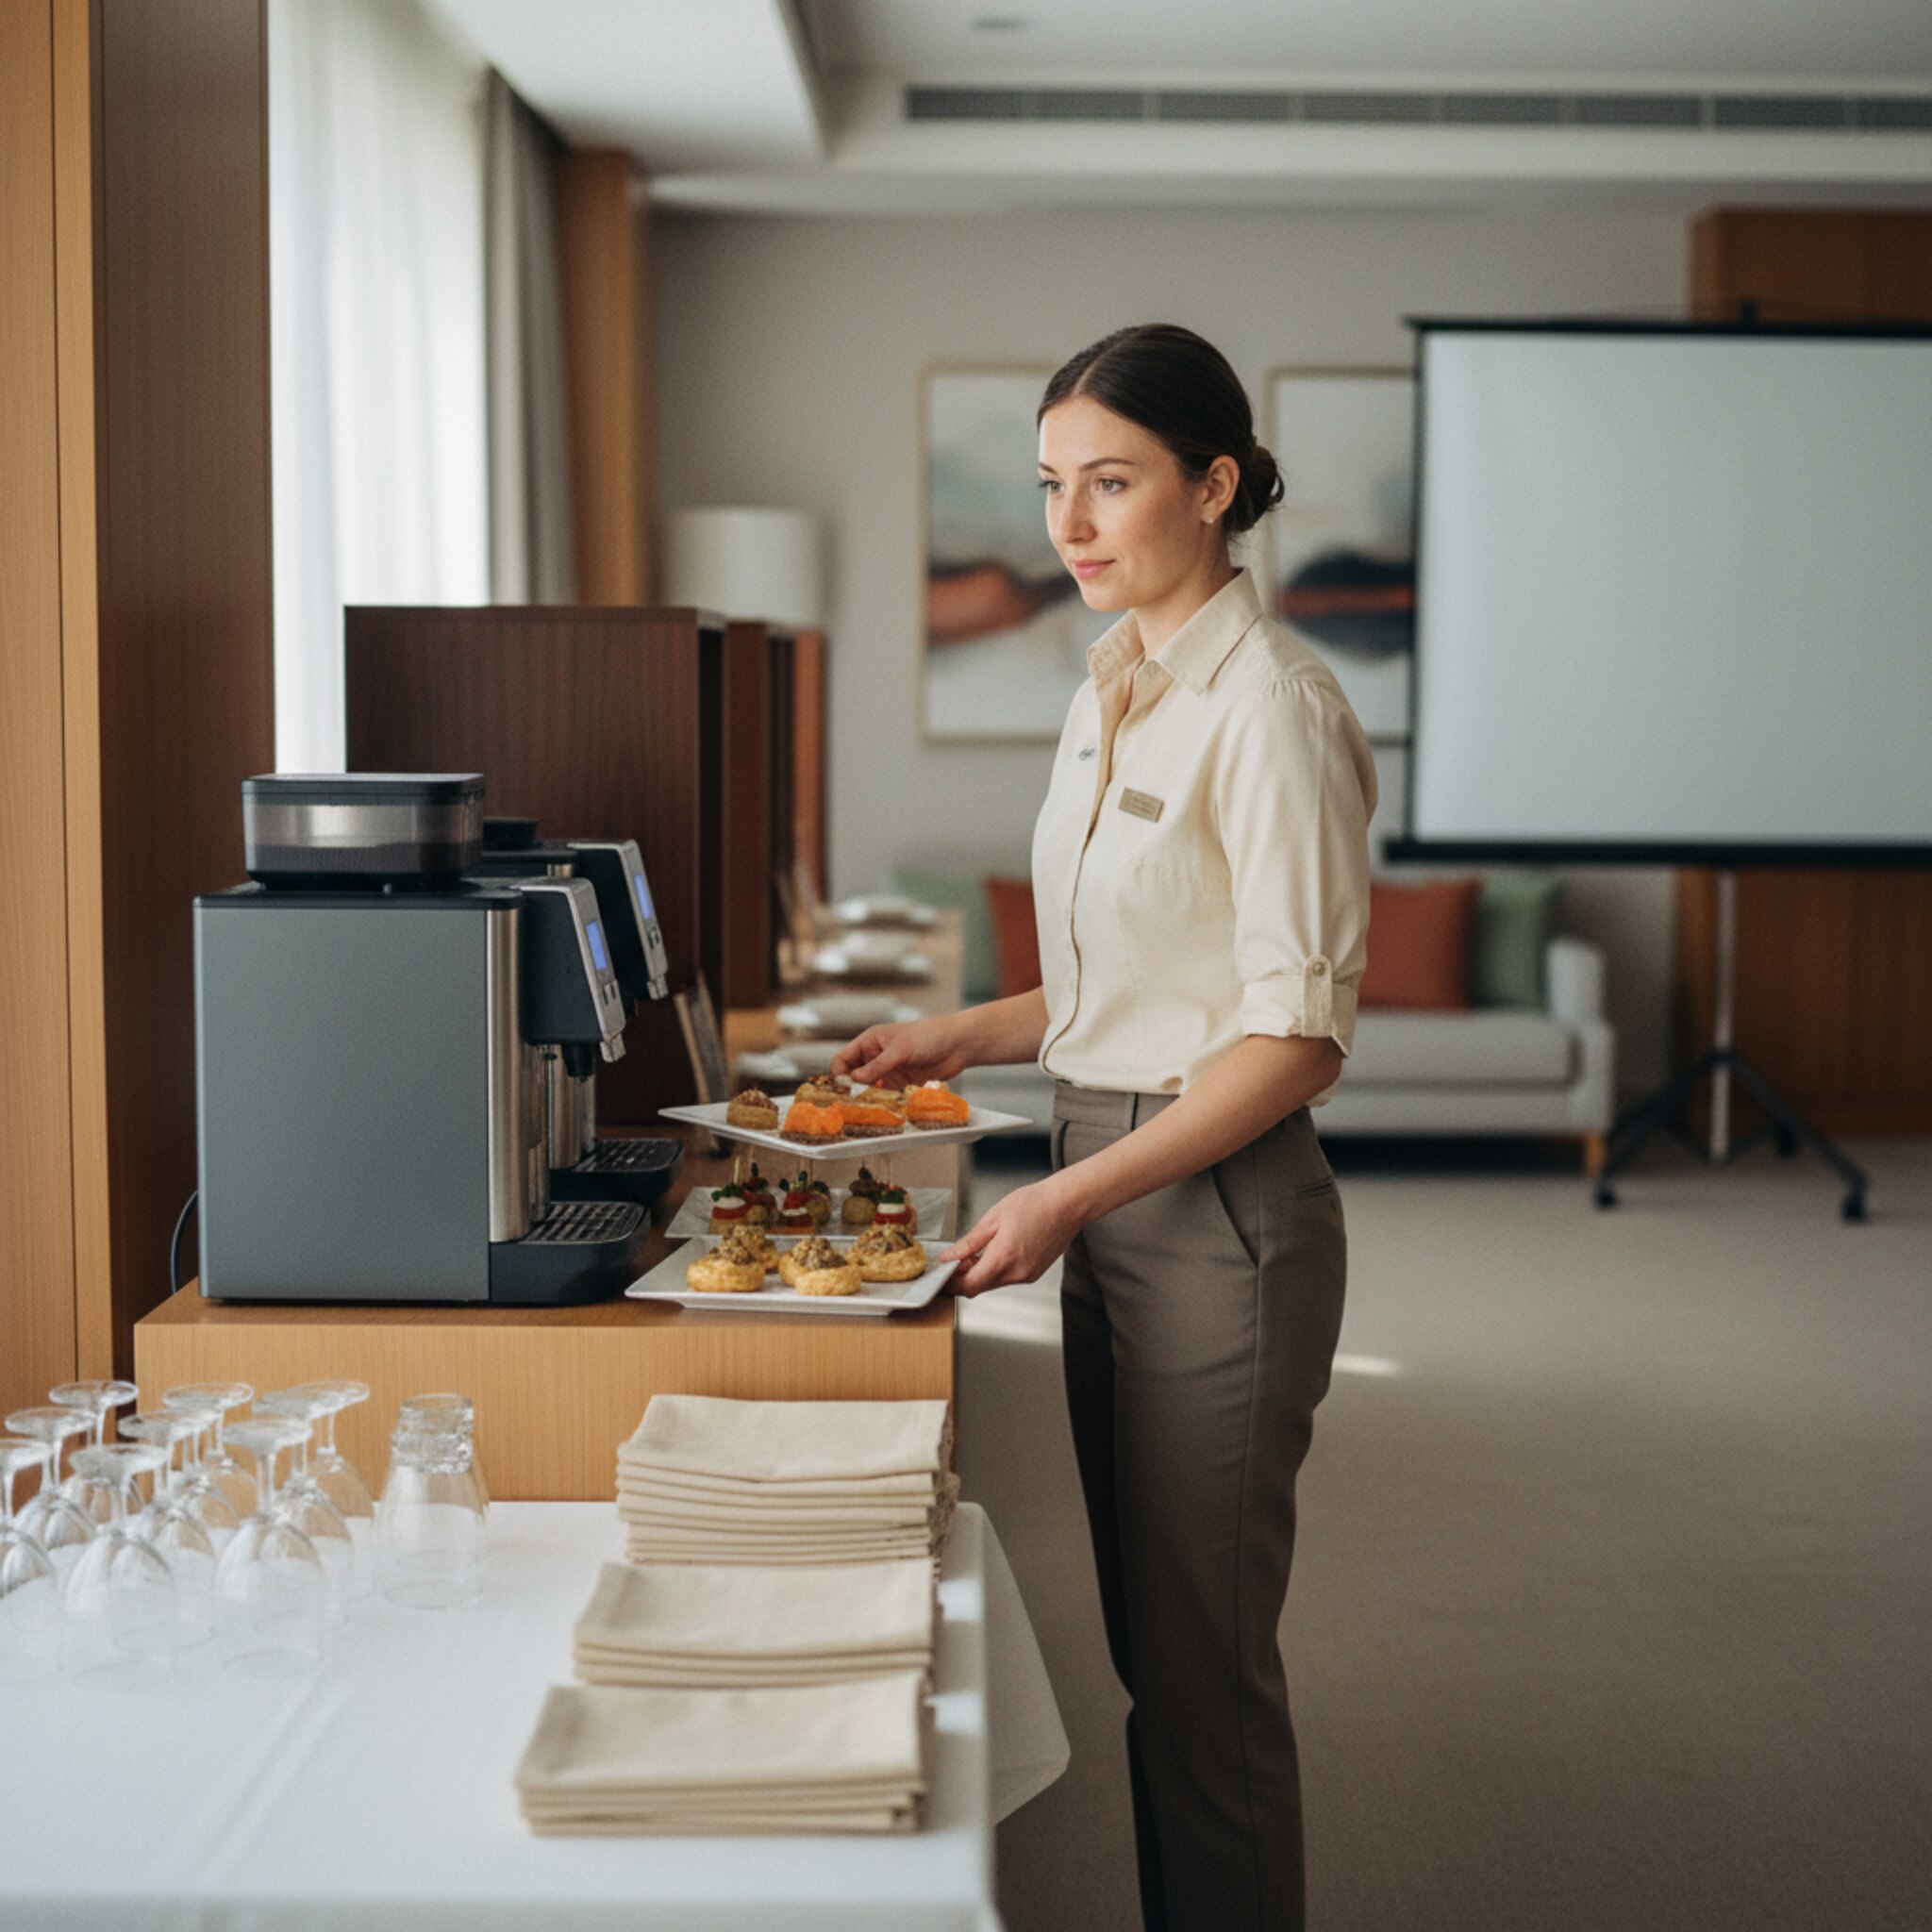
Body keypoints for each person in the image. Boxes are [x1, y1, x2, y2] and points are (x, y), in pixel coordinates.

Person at [836, 323, 1375, 1932]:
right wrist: (957, 1033)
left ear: (1214, 487)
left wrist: (1070, 1202)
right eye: (1055, 485)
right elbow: (1125, 981)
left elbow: (1290, 1042)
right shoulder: (1112, 687)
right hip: (1110, 1171)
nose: (1069, 524)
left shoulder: (1271, 707)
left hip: (1214, 1211)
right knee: (1150, 1649)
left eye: (1113, 483)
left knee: (1205, 1681)